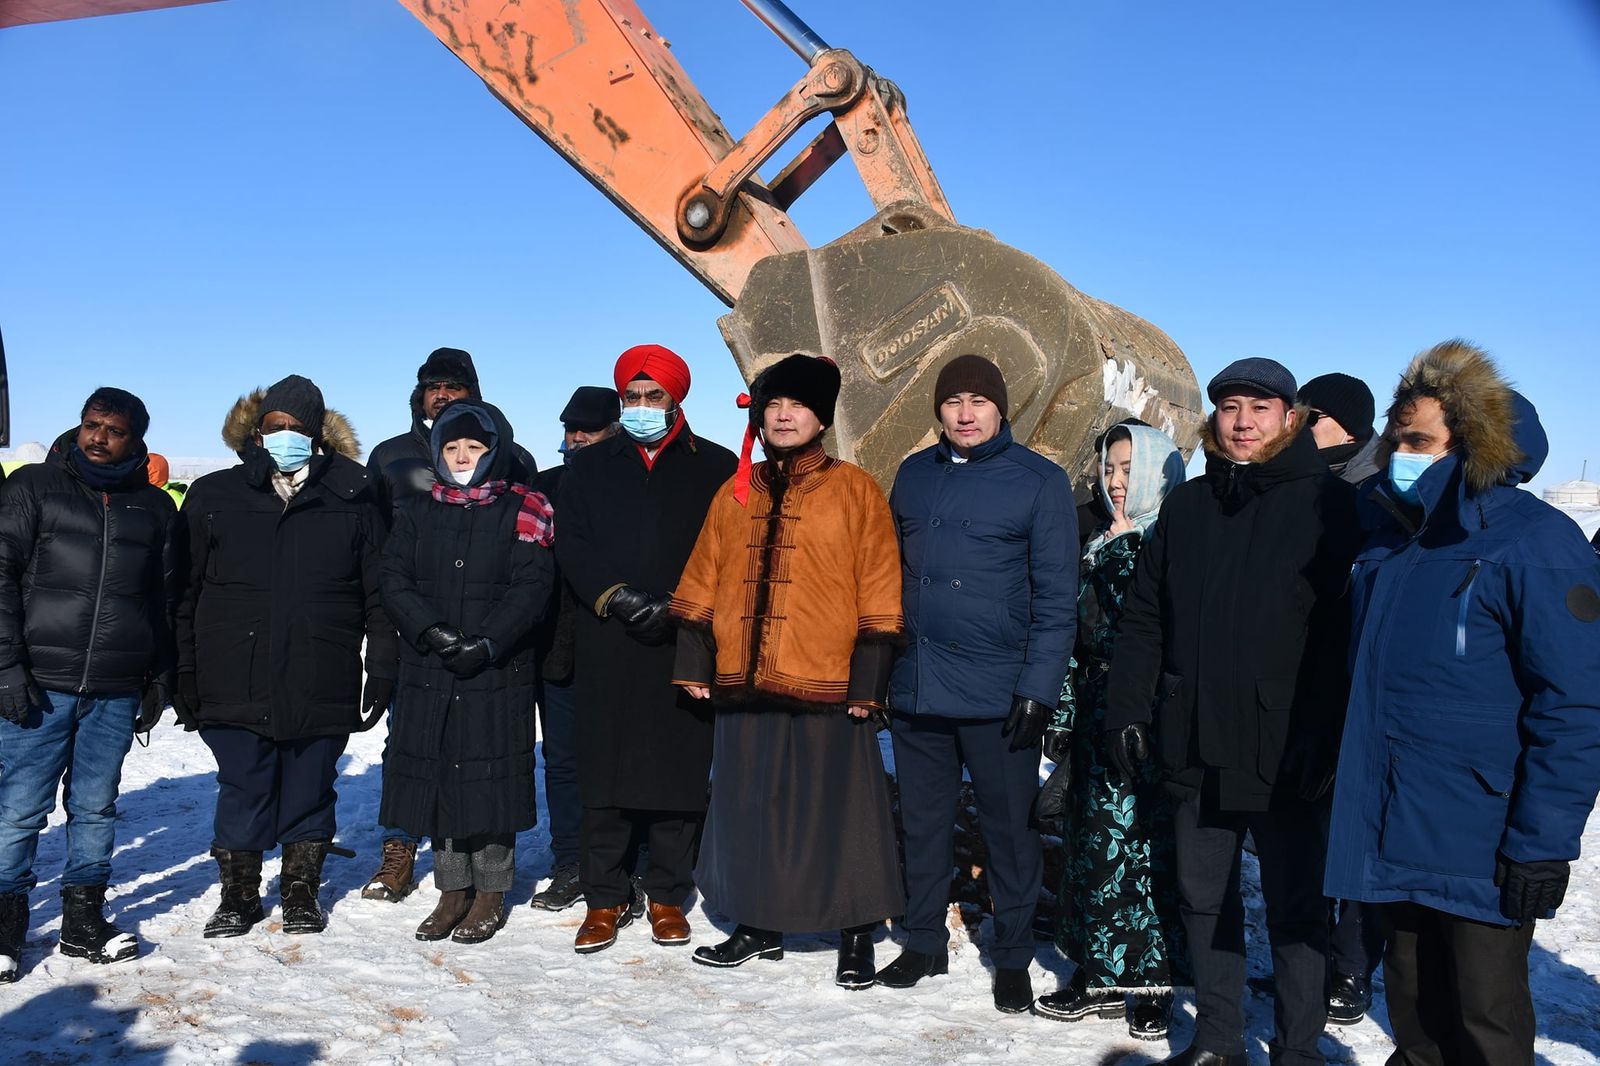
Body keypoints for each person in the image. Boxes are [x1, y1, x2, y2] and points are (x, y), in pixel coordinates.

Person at [1325, 340, 1600, 1066]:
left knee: (1486, 1030)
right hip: (1397, 829)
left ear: (1472, 443)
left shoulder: (1537, 543)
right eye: (1396, 439)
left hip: (1482, 842)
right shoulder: (1389, 543)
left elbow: (1574, 707)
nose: (1399, 453)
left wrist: (1542, 841)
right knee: (1413, 1023)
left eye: (1417, 441)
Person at [1103, 357, 1361, 1066]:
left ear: (1289, 417)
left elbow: (1345, 636)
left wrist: (1324, 738)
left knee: (1296, 908)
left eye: (1260, 408)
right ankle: (1218, 1039)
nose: (1243, 421)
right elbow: (1146, 618)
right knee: (1202, 899)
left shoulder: (1329, 506)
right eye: (1230, 407)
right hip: (1194, 738)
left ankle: (1298, 1047)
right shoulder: (1189, 506)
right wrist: (1128, 708)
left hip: (1287, 749)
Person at [669, 354, 904, 987]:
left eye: (796, 405)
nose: (782, 415)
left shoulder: (856, 488)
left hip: (827, 679)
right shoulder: (736, 490)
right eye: (773, 405)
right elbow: (705, 572)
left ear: (820, 417)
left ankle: (855, 932)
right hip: (744, 678)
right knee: (751, 806)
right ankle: (757, 922)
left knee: (842, 810)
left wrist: (869, 679)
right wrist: (695, 658)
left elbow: (880, 584)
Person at [881, 354, 1077, 1013]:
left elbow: (1056, 601)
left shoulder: (1039, 482)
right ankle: (922, 941)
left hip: (1000, 694)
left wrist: (1038, 690)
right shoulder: (912, 476)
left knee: (1009, 831)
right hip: (918, 685)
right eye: (952, 401)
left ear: (1001, 409)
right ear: (937, 410)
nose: (965, 413)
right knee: (924, 822)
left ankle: (1014, 955)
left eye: (978, 401)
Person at [176, 375, 397, 938]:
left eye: (299, 429)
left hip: (320, 665)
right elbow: (184, 591)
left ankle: (300, 890)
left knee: (309, 785)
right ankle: (239, 895)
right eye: (276, 427)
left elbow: (377, 590)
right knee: (243, 784)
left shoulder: (352, 494)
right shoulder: (214, 495)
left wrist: (383, 662)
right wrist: (183, 670)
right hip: (234, 666)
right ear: (257, 431)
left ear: (318, 436)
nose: (286, 437)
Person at [555, 344, 737, 954]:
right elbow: (572, 544)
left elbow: (727, 549)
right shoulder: (590, 466)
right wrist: (618, 597)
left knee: (678, 769)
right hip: (610, 636)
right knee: (604, 769)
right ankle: (603, 898)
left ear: (675, 397)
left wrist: (683, 606)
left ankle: (666, 893)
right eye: (631, 397)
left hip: (685, 638)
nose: (640, 407)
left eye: (652, 396)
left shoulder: (715, 466)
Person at [0, 388, 179, 981]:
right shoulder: (33, 488)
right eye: (91, 425)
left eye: (113, 430)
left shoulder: (154, 509)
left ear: (137, 439)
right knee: (19, 811)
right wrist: (5, 667)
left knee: (96, 808)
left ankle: (83, 923)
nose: (98, 437)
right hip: (38, 684)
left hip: (114, 685)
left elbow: (163, 598)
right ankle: (5, 930)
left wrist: (157, 674)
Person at [1033, 422, 1190, 1039]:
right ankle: (1096, 968)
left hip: (1149, 717)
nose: (1117, 482)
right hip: (1096, 714)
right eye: (1110, 468)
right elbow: (1079, 640)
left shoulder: (1170, 540)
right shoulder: (1098, 537)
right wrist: (1065, 713)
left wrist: (1125, 551)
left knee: (1147, 849)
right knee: (1091, 848)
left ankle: (1152, 982)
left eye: (1130, 468)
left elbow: (1146, 629)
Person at [362, 346, 536, 902]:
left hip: (489, 637)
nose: (442, 393)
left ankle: (482, 880)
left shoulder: (513, 459)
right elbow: (379, 552)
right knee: (407, 745)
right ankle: (399, 849)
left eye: (454, 386)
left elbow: (530, 559)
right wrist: (409, 627)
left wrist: (490, 636)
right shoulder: (390, 457)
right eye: (433, 385)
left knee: (481, 750)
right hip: (414, 627)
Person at [379, 399, 555, 943]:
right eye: (451, 447)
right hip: (430, 666)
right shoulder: (417, 510)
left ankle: (490, 892)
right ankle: (451, 890)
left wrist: (488, 641)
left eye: (473, 447)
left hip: (495, 671)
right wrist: (430, 630)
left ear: (495, 451)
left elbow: (533, 586)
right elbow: (393, 577)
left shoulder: (525, 508)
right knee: (439, 777)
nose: (461, 456)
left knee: (489, 780)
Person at [1296, 370, 1386, 1025]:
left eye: (1310, 412)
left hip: (1363, 683)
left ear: (1343, 422)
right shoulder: (1307, 481)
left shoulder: (1375, 491)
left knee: (1358, 835)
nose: (1297, 422)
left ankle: (1352, 968)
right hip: (1311, 680)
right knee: (1312, 831)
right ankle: (1314, 958)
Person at [528, 385, 621, 912]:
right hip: (557, 646)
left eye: (589, 428)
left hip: (620, 645)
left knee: (617, 758)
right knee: (561, 760)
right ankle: (570, 861)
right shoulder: (544, 486)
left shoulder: (633, 484)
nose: (577, 437)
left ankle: (624, 862)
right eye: (570, 429)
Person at [1298, 372, 1381, 485]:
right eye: (1296, 416)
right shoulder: (1284, 471)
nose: (1299, 426)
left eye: (1310, 417)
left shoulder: (1378, 492)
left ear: (1351, 431)